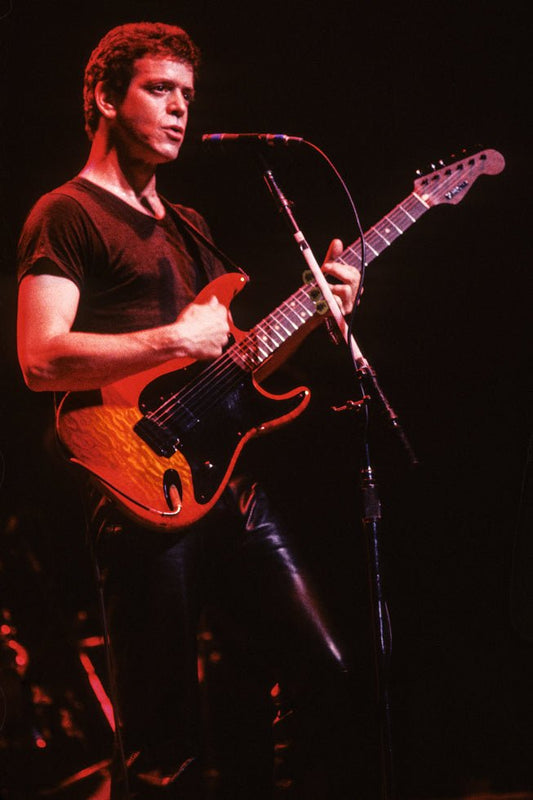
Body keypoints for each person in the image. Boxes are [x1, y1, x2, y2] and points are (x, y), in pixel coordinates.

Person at [16, 22, 362, 799]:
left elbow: (239, 358)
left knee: (325, 672)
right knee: (160, 745)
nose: (179, 109)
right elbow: (41, 358)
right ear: (106, 97)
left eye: (186, 95)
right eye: (159, 90)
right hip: (141, 488)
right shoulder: (65, 214)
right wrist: (173, 334)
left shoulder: (189, 226)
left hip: (229, 487)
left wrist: (320, 307)